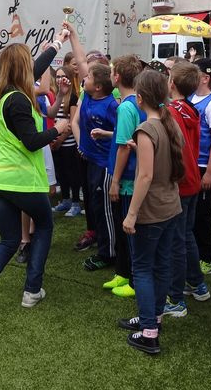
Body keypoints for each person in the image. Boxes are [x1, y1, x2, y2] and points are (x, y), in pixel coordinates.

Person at [0, 32, 71, 320]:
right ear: (23, 67)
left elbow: (39, 66)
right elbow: (31, 141)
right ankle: (32, 290)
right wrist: (58, 129)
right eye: (29, 62)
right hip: (21, 180)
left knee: (8, 241)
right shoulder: (19, 100)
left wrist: (58, 41)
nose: (33, 66)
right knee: (44, 226)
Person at [117, 69, 184, 355]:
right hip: (170, 206)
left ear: (140, 98)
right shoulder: (169, 123)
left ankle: (148, 332)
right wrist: (140, 149)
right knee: (161, 265)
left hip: (152, 210)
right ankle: (152, 318)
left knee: (143, 268)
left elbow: (145, 176)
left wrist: (131, 213)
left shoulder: (147, 129)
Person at [163, 60, 205, 317]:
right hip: (192, 179)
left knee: (176, 241)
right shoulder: (191, 108)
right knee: (185, 234)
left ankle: (176, 299)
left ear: (172, 84)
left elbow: (171, 147)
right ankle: (197, 283)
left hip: (179, 181)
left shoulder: (172, 111)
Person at [103, 55, 145, 297]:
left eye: (112, 72)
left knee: (130, 229)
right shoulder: (135, 103)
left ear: (117, 77)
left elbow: (124, 147)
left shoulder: (127, 107)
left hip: (128, 178)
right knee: (124, 229)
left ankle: (135, 281)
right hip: (132, 175)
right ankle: (125, 272)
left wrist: (115, 181)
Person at [74, 62, 118, 271]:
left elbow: (124, 132)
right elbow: (83, 66)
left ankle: (108, 253)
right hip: (89, 160)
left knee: (104, 209)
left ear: (98, 87)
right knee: (94, 205)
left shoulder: (112, 106)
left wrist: (105, 133)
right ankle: (102, 243)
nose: (85, 79)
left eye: (89, 77)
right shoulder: (88, 96)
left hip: (104, 164)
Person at [190, 58, 211, 274]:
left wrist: (210, 172)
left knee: (202, 213)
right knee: (192, 213)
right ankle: (195, 252)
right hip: (191, 164)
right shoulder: (190, 98)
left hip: (203, 165)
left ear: (205, 78)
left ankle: (208, 258)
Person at [49, 66, 82, 216]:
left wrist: (60, 140)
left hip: (68, 143)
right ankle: (65, 199)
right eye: (57, 76)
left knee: (72, 173)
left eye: (63, 76)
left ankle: (75, 203)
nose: (60, 79)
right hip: (55, 143)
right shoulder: (55, 96)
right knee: (61, 173)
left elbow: (72, 122)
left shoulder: (73, 97)